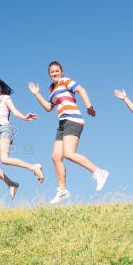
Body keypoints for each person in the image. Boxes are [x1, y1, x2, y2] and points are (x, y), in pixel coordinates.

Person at [28, 61, 109, 203]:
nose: (54, 73)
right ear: (49, 74)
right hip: (62, 123)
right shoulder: (52, 88)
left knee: (69, 153)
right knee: (56, 157)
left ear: (61, 71)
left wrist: (89, 106)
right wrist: (37, 94)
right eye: (52, 72)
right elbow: (48, 108)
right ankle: (62, 190)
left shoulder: (66, 81)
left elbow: (81, 90)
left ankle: (98, 172)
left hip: (73, 119)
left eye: (56, 71)